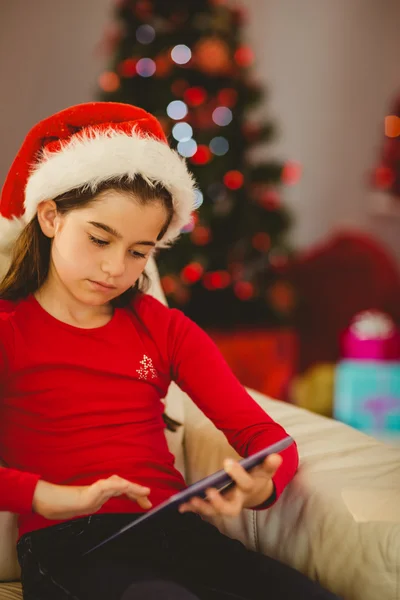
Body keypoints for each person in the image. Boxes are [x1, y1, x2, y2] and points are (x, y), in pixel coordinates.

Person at [0, 102, 341, 600]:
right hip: (69, 543)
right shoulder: (10, 329)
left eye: (139, 252)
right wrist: (41, 495)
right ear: (51, 217)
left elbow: (266, 437)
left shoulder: (162, 327)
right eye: (100, 239)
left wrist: (262, 484)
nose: (116, 268)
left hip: (176, 530)